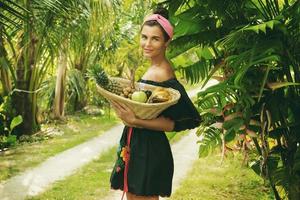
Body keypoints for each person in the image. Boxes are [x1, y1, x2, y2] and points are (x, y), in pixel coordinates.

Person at [109, 7, 202, 200]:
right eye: (144, 37)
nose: (147, 44)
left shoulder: (163, 74)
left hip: (149, 150)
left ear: (167, 42)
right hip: (137, 145)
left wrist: (135, 121)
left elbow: (180, 121)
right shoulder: (152, 69)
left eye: (155, 39)